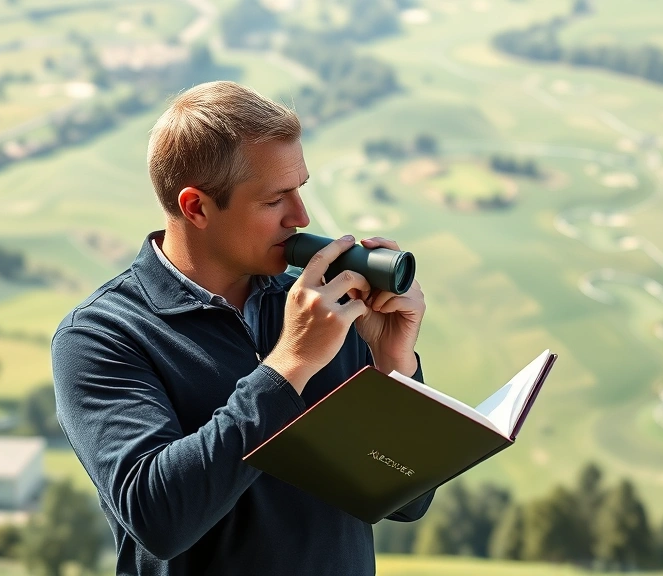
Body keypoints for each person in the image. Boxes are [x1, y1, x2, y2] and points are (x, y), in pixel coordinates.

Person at [51, 80, 434, 575]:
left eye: (300, 189)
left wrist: (394, 365)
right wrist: (289, 366)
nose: (301, 216)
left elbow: (406, 498)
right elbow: (158, 519)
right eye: (275, 200)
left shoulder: (321, 307)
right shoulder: (101, 336)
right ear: (197, 208)